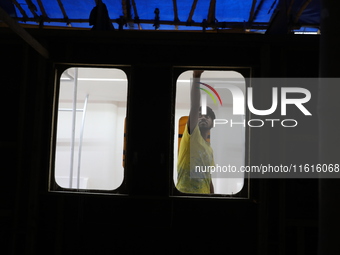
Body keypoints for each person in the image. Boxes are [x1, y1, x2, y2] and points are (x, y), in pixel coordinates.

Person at [176, 70, 215, 194]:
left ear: (212, 124)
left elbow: (208, 178)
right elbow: (194, 105)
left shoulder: (209, 149)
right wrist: (196, 76)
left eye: (207, 116)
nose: (203, 117)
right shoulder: (192, 135)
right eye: (200, 115)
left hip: (203, 197)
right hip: (184, 194)